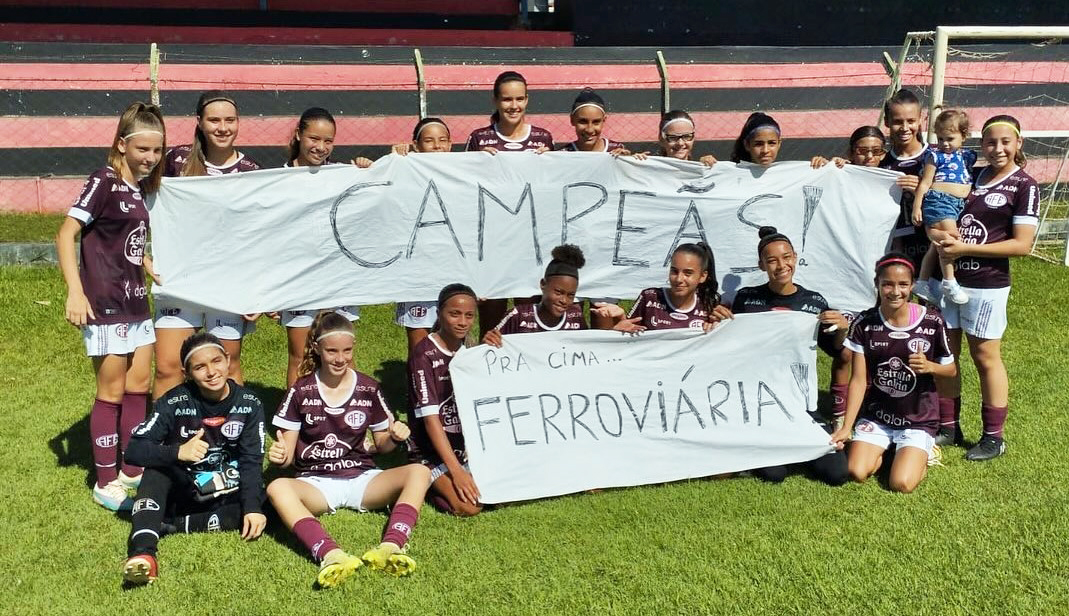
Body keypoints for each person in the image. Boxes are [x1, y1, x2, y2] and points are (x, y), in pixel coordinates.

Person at [267, 312, 431, 587]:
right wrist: (280, 457)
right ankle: (330, 555)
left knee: (419, 472)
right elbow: (288, 459)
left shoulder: (369, 388)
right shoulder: (301, 390)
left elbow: (382, 446)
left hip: (361, 478)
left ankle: (392, 547)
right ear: (317, 349)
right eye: (332, 351)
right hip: (315, 483)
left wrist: (394, 436)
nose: (340, 358)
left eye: (347, 350)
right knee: (277, 488)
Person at [56, 102, 166, 511]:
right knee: (112, 391)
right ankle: (105, 482)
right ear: (122, 144)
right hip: (105, 303)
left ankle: (132, 470)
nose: (150, 158)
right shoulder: (103, 179)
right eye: (143, 149)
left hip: (137, 302)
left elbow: (125, 242)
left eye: (156, 151)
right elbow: (67, 234)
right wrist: (75, 291)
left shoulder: (138, 189)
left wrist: (146, 262)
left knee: (139, 387)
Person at [932, 115, 1039, 460]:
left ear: (1018, 144)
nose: (998, 148)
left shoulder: (1024, 185)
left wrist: (966, 249)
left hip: (987, 285)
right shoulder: (971, 174)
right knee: (946, 354)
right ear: (982, 145)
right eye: (991, 142)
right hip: (948, 281)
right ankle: (949, 426)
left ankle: (993, 436)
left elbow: (1022, 246)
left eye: (1006, 142)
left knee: (985, 357)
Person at [121, 332, 267, 585]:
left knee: (270, 503)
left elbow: (252, 461)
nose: (211, 372)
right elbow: (133, 450)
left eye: (216, 361)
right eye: (200, 367)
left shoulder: (250, 403)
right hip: (185, 491)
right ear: (187, 373)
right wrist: (177, 452)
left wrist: (253, 509)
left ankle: (172, 526)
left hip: (227, 490)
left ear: (228, 359)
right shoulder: (174, 401)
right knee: (156, 473)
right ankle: (144, 553)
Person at [716, 227, 850, 485]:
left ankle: (801, 441)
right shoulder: (746, 299)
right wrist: (718, 321)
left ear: (795, 257)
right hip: (762, 401)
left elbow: (836, 351)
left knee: (837, 474)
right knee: (773, 474)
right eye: (772, 260)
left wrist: (842, 329)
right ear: (761, 265)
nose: (781, 265)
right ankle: (784, 445)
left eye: (786, 257)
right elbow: (728, 343)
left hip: (800, 402)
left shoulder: (814, 302)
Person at [151, 91, 261, 399]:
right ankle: (162, 438)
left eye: (230, 120)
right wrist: (145, 258)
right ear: (199, 123)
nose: (222, 127)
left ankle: (235, 435)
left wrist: (257, 291)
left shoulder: (252, 172)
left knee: (228, 365)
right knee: (168, 367)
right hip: (180, 280)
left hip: (227, 284)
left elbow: (261, 238)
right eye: (214, 120)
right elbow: (141, 202)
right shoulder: (176, 160)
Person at [831, 254, 956, 493]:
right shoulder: (865, 322)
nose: (895, 291)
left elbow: (951, 370)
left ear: (911, 286)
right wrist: (846, 427)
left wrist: (930, 367)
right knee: (856, 472)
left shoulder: (932, 321)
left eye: (903, 285)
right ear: (877, 284)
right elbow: (858, 380)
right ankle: (892, 450)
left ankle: (923, 450)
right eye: (887, 284)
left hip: (918, 420)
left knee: (901, 484)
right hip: (879, 417)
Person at [465, 71, 553, 336]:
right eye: (506, 99)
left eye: (519, 99)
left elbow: (555, 189)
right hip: (493, 243)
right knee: (491, 321)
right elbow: (461, 188)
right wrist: (477, 164)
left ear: (527, 100)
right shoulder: (480, 138)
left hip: (530, 244)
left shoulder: (543, 138)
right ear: (495, 101)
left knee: (529, 317)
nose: (513, 106)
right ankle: (489, 371)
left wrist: (552, 161)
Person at [278, 107, 361, 386]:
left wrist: (364, 168)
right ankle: (293, 420)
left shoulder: (341, 174)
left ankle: (348, 413)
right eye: (314, 138)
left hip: (337, 276)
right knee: (300, 355)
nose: (321, 147)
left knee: (343, 353)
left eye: (329, 141)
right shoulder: (273, 180)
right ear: (298, 135)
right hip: (298, 277)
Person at [407, 284, 482, 516]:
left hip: (465, 449)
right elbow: (431, 421)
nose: (462, 322)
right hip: (430, 454)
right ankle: (427, 485)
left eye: (469, 316)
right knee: (470, 507)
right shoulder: (423, 356)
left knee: (503, 494)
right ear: (439, 313)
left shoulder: (470, 352)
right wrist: (456, 471)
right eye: (454, 314)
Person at [392, 117, 455, 352]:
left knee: (453, 336)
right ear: (416, 145)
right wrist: (395, 160)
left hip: (452, 267)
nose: (437, 146)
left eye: (442, 140)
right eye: (429, 141)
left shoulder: (465, 175)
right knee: (419, 345)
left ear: (451, 144)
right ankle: (418, 387)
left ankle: (452, 387)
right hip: (417, 272)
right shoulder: (404, 171)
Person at [482, 244, 623, 345]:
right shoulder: (517, 315)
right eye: (559, 292)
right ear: (543, 285)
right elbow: (488, 344)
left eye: (570, 295)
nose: (564, 300)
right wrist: (488, 340)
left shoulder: (575, 317)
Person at [913, 109, 977, 305]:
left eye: (950, 138)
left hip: (956, 205)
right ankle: (949, 282)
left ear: (963, 136)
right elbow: (925, 182)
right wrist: (918, 205)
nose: (944, 143)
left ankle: (922, 282)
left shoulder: (967, 156)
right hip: (939, 200)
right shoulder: (935, 155)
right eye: (940, 138)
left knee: (937, 244)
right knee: (951, 241)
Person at [613, 242, 721, 333]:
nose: (679, 279)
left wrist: (717, 329)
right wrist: (616, 327)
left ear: (702, 276)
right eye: (674, 271)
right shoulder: (650, 297)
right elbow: (626, 330)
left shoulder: (709, 306)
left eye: (688, 273)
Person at [880, 89, 929, 271]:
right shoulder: (882, 165)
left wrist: (923, 191)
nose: (905, 128)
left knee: (931, 298)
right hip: (897, 246)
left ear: (920, 120)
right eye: (898, 122)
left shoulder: (935, 158)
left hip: (932, 246)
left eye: (911, 121)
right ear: (887, 122)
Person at [559, 89, 629, 154]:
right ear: (572, 120)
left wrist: (632, 159)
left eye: (596, 122)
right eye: (583, 122)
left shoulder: (616, 150)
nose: (589, 130)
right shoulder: (564, 154)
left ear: (604, 120)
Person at [633, 110, 716, 165]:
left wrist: (708, 168)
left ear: (693, 138)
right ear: (661, 139)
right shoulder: (649, 170)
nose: (680, 143)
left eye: (687, 137)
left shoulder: (703, 170)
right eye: (673, 138)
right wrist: (632, 164)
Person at [810, 125, 887, 169]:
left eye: (876, 151)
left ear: (883, 154)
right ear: (850, 153)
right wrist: (825, 167)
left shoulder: (891, 174)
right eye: (862, 151)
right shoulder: (842, 169)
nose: (870, 156)